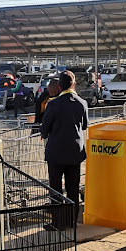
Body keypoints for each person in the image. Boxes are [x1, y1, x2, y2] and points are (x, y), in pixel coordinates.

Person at [40, 70, 89, 229]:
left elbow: (45, 128)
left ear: (60, 85)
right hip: (75, 152)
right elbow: (84, 125)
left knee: (55, 188)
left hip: (56, 152)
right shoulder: (82, 103)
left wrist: (45, 132)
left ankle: (58, 223)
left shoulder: (53, 104)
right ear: (74, 84)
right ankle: (71, 221)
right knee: (72, 188)